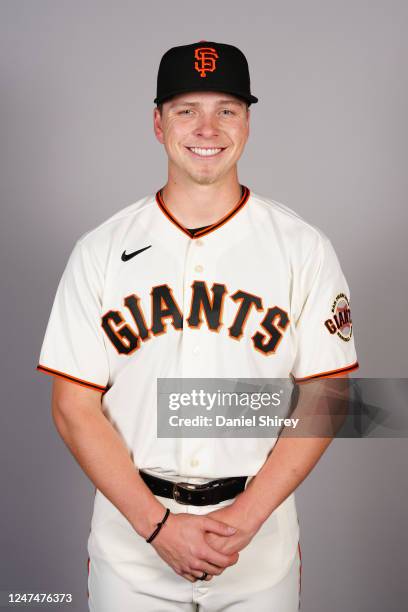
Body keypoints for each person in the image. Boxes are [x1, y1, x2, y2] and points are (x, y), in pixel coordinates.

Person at [36, 41, 359, 611]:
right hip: (132, 540)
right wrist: (158, 527)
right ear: (158, 124)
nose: (207, 127)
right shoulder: (100, 251)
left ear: (248, 123)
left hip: (257, 541)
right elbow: (72, 407)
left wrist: (247, 517)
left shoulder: (302, 247)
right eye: (186, 109)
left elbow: (328, 395)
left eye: (226, 110)